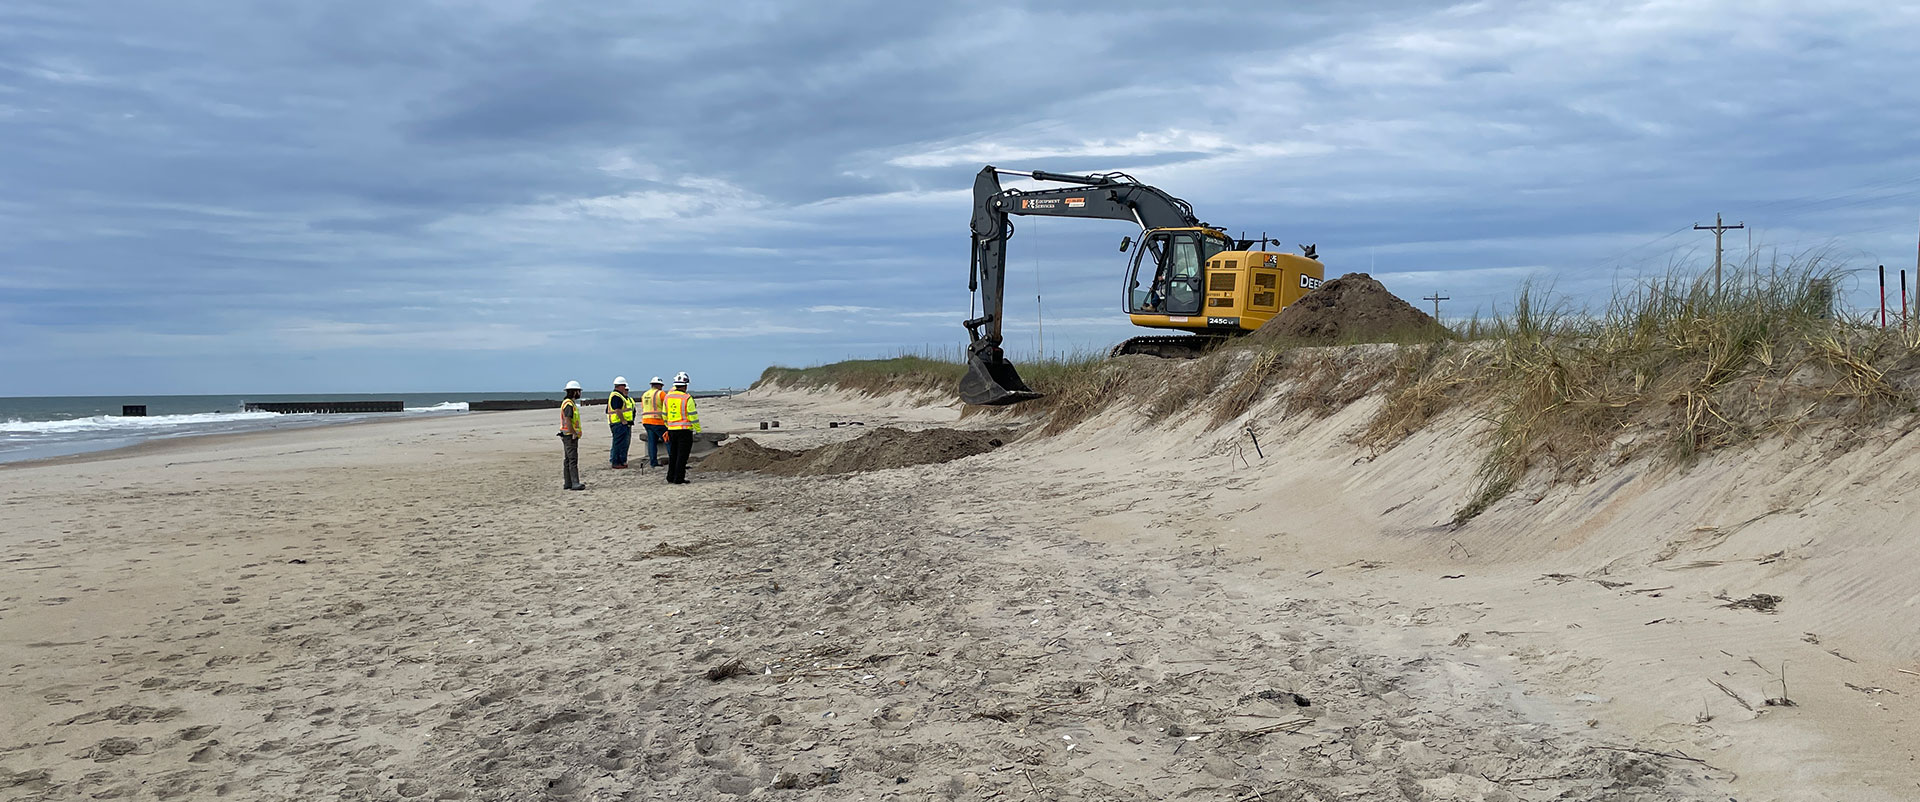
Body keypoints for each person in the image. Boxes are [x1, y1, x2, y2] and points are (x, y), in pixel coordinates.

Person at [662, 371, 701, 485]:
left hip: (672, 430)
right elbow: (693, 415)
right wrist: (698, 429)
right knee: (682, 456)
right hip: (684, 431)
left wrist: (668, 426)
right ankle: (679, 478)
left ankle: (670, 477)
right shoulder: (687, 398)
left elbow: (664, 414)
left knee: (673, 454)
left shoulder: (668, 397)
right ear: (685, 385)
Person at [558, 380, 585, 491]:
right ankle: (574, 483)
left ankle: (568, 483)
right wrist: (573, 433)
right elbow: (568, 419)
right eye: (579, 391)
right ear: (574, 392)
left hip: (566, 434)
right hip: (569, 435)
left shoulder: (567, 403)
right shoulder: (569, 404)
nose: (580, 393)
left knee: (568, 459)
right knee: (572, 459)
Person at [639, 377, 669, 469]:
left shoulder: (645, 394)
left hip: (646, 421)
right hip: (658, 421)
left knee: (652, 442)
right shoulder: (660, 393)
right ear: (660, 385)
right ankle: (674, 460)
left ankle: (653, 462)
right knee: (668, 440)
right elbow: (667, 405)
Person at [606, 377, 634, 469]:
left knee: (622, 444)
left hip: (622, 423)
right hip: (618, 423)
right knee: (618, 444)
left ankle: (621, 461)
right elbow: (617, 410)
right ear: (620, 386)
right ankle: (616, 462)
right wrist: (623, 420)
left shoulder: (620, 396)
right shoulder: (616, 396)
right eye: (624, 386)